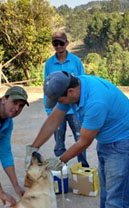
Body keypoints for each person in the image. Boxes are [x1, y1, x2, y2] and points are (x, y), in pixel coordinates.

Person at [26, 71, 129, 208]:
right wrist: (33, 148)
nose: (60, 105)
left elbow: (83, 142)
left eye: (59, 100)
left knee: (115, 198)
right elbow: (54, 120)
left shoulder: (95, 102)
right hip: (107, 139)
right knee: (106, 193)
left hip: (125, 142)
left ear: (71, 92)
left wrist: (59, 161)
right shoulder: (74, 88)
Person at [44, 31, 89, 167]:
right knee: (59, 142)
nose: (58, 46)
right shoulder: (49, 64)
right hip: (57, 109)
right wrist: (48, 110)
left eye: (61, 42)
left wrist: (83, 107)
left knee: (80, 139)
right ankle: (61, 170)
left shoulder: (75, 61)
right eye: (55, 43)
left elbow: (83, 82)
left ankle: (83, 168)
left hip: (74, 110)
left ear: (67, 43)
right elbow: (46, 86)